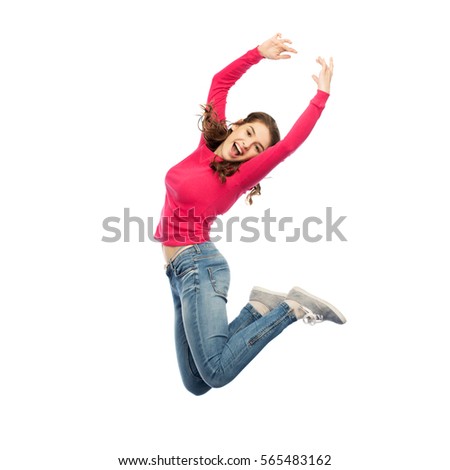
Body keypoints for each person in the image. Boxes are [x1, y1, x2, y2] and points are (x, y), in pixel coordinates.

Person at [154, 33, 346, 395]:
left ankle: (291, 309)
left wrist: (321, 96)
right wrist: (257, 53)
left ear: (254, 159)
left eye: (257, 148)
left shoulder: (237, 178)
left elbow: (289, 144)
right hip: (177, 273)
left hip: (199, 267)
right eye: (249, 133)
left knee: (217, 373)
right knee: (197, 383)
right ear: (236, 125)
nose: (247, 145)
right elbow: (219, 83)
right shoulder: (204, 148)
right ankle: (258, 308)